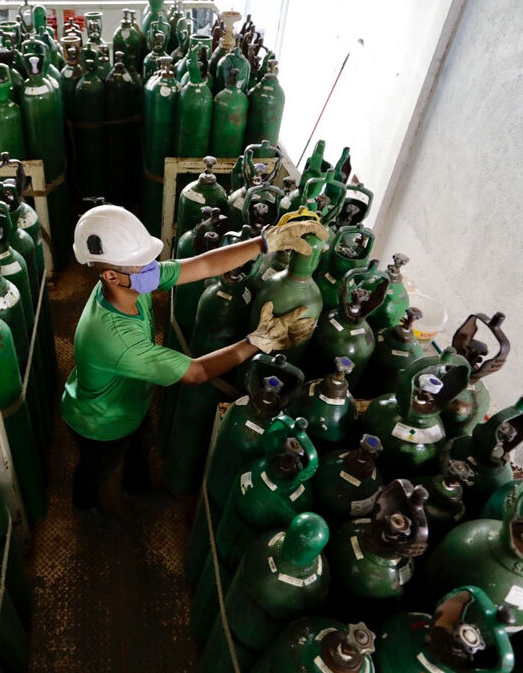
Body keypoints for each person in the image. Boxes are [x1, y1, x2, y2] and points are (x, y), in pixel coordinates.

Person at [61, 203, 327, 533]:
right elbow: (196, 373)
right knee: (99, 465)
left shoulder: (128, 284)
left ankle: (136, 485)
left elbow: (203, 265)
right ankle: (86, 506)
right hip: (100, 421)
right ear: (111, 275)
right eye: (143, 266)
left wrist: (264, 242)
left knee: (141, 443)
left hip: (131, 400)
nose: (153, 270)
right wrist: (259, 340)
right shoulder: (115, 337)